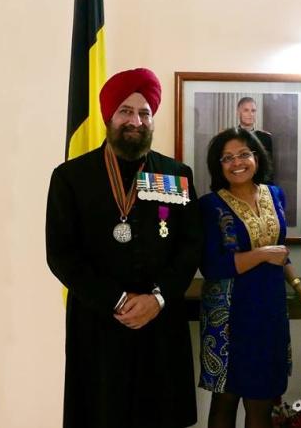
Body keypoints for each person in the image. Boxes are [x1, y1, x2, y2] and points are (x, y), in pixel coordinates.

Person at [46, 68, 202, 428]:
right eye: (126, 111)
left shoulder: (176, 174)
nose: (136, 120)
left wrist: (158, 298)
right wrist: (116, 300)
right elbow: (61, 253)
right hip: (100, 323)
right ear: (109, 117)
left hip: (161, 324)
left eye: (144, 112)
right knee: (101, 412)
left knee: (161, 414)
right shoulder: (71, 177)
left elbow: (190, 246)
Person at [198, 127, 301, 428]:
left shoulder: (274, 194)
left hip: (269, 310)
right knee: (225, 400)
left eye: (243, 154)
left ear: (256, 157)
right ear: (218, 165)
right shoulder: (209, 206)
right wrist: (263, 254)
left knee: (262, 402)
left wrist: (296, 283)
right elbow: (212, 265)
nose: (236, 162)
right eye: (227, 158)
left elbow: (280, 251)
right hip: (229, 313)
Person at [236, 96, 274, 162]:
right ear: (238, 113)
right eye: (246, 110)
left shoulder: (266, 138)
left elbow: (269, 168)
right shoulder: (230, 137)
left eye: (253, 111)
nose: (250, 114)